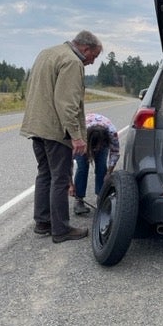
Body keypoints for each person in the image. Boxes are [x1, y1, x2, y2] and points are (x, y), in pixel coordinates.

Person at [20, 30, 103, 243]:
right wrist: (76, 136)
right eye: (93, 57)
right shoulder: (73, 62)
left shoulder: (47, 53)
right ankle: (61, 229)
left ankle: (43, 222)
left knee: (45, 174)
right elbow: (68, 104)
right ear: (85, 49)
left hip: (36, 126)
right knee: (61, 177)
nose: (92, 63)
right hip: (56, 131)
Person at [73, 113, 120, 214]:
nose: (96, 150)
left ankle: (101, 197)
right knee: (82, 168)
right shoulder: (80, 132)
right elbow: (68, 158)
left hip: (101, 137)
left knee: (101, 168)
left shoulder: (111, 132)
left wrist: (109, 173)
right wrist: (69, 183)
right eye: (94, 148)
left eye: (98, 147)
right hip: (85, 140)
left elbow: (115, 152)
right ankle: (79, 200)